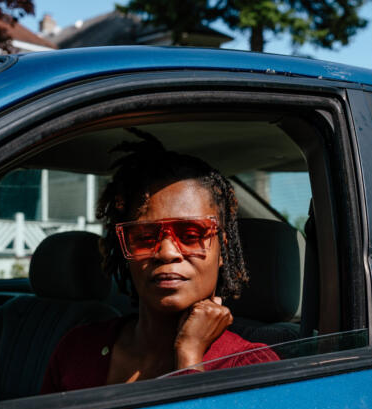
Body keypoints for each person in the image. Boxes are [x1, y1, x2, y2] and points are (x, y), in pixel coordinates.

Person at [40, 130, 279, 394]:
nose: (166, 253)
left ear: (221, 249)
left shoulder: (249, 365)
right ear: (124, 248)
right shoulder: (78, 349)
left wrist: (189, 356)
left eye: (190, 235)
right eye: (144, 237)